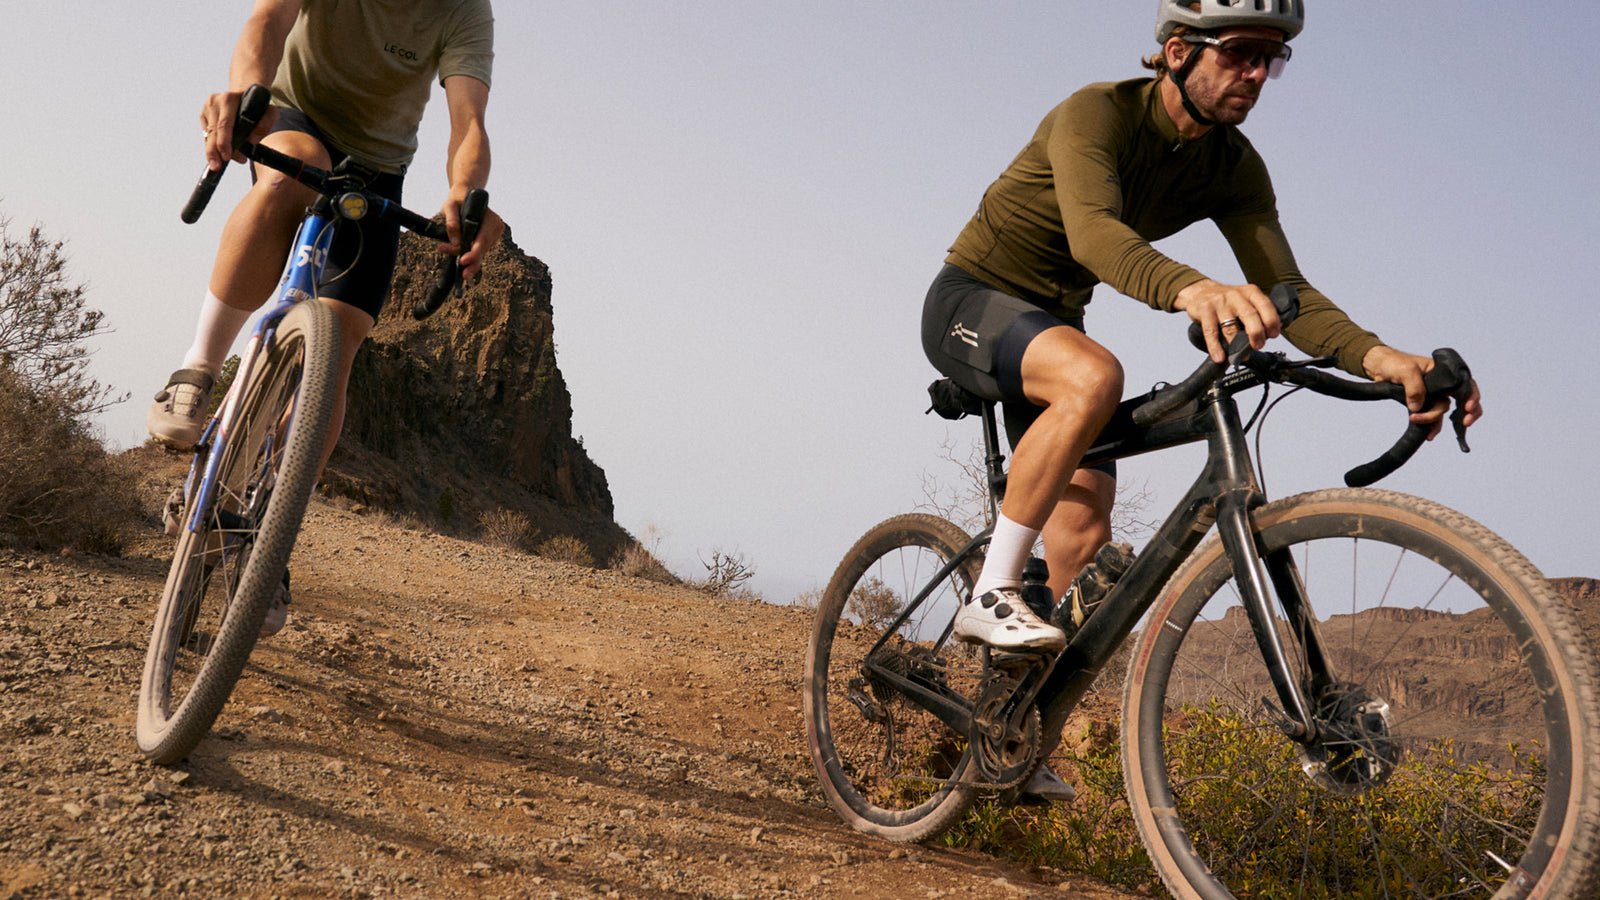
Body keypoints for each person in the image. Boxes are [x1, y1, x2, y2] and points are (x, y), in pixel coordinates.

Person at [921, 0, 1482, 800]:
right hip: (973, 300)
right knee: (1095, 376)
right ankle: (991, 592)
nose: (1257, 74)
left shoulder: (1234, 166)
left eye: (1272, 60)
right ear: (1179, 52)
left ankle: (1006, 732)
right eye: (1242, 53)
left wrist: (1382, 356)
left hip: (1054, 326)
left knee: (1085, 550)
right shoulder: (1096, 115)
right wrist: (1192, 288)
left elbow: (1288, 291)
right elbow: (1094, 235)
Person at [147, 0, 504, 635]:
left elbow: (468, 120)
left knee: (335, 348)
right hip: (292, 118)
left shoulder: (463, 11)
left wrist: (463, 193)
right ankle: (196, 371)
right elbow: (267, 23)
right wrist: (246, 91)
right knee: (292, 177)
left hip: (377, 167)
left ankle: (266, 534)